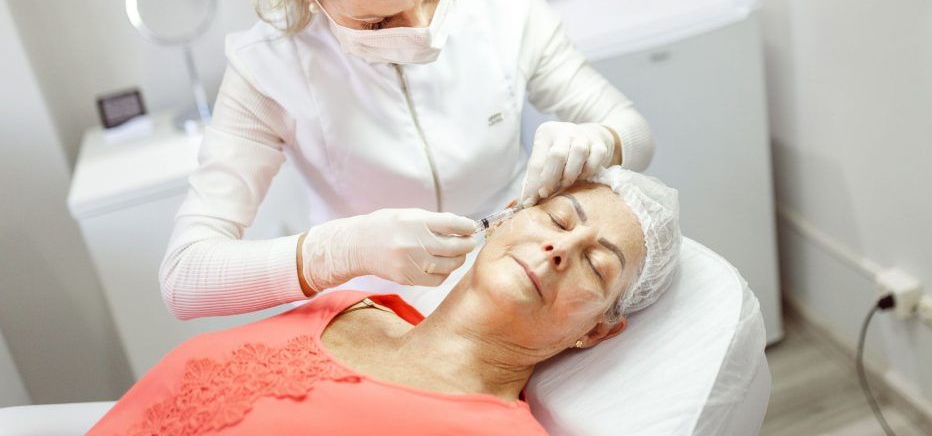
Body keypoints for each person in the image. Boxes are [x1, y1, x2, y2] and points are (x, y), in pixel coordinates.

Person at [160, 0, 654, 320]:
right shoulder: (267, 68)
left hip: (516, 290)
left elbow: (634, 130)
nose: (424, 32)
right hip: (374, 315)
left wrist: (601, 141)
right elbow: (184, 277)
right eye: (377, 22)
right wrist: (342, 250)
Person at [94, 168, 679, 435]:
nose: (561, 249)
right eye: (558, 219)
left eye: (598, 265)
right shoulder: (345, 304)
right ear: (505, 218)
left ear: (596, 331)